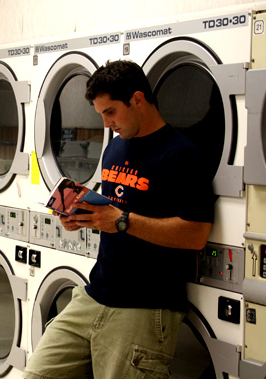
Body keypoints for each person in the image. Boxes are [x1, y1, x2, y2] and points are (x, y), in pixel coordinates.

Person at [24, 60, 214, 379]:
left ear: (138, 99)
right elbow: (115, 211)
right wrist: (82, 216)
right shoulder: (114, 148)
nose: (107, 122)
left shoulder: (181, 155)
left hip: (144, 306)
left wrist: (121, 221)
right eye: (101, 114)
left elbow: (195, 234)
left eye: (110, 111)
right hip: (94, 292)